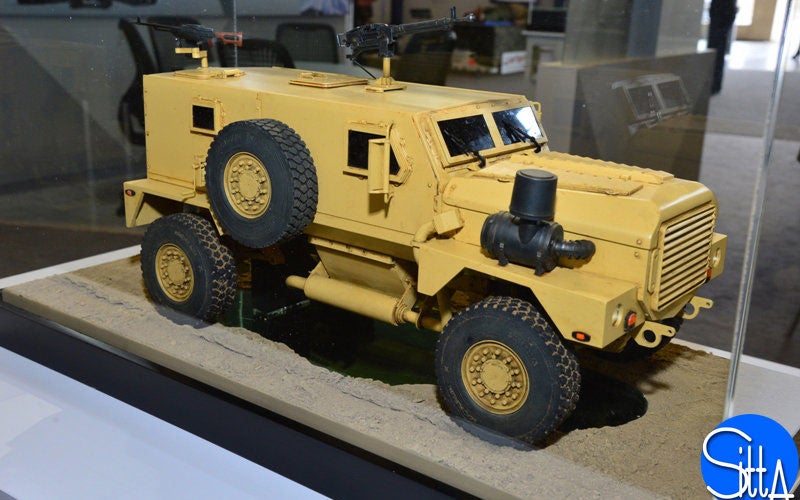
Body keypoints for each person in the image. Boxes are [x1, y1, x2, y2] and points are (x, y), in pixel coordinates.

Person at [707, 0, 738, 94]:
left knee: (718, 54)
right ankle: (712, 84)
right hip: (719, 17)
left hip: (722, 17)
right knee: (714, 53)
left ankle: (714, 84)